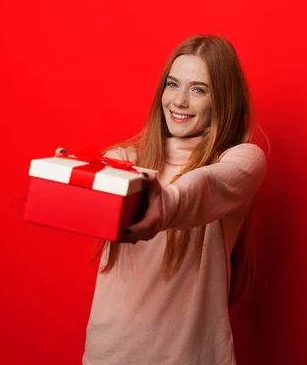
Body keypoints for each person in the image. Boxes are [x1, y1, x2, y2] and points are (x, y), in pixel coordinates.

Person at [62, 35, 267, 364]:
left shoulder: (242, 161)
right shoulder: (128, 161)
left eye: (199, 89)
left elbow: (203, 186)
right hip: (107, 353)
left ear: (223, 100)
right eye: (173, 85)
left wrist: (164, 203)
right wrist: (79, 176)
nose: (180, 101)